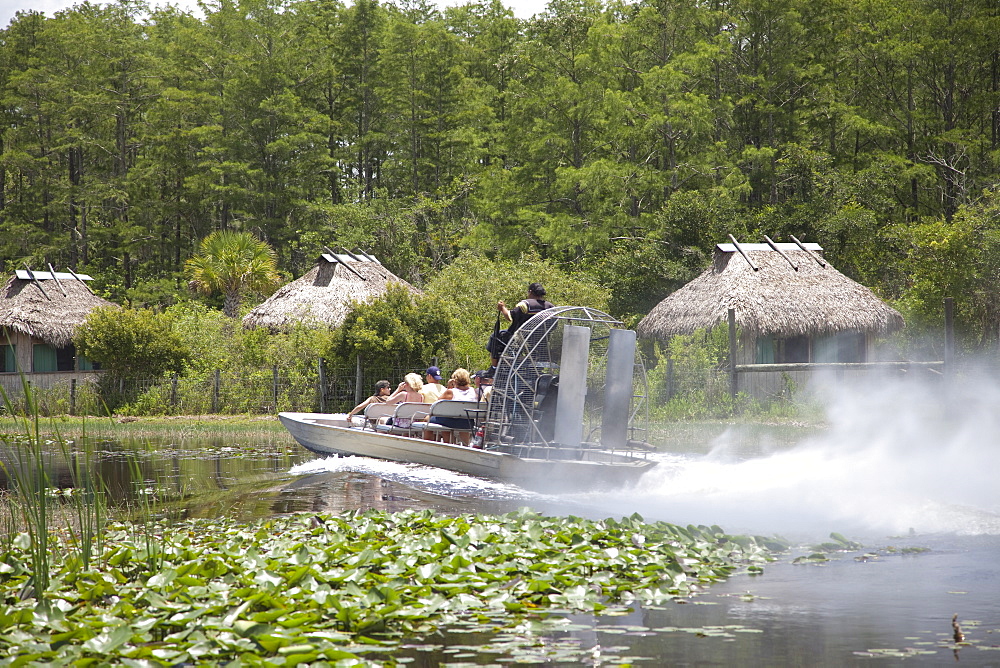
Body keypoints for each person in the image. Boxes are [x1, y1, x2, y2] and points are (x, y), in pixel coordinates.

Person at [493, 282, 555, 365]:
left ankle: (494, 367)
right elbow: (554, 325)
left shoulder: (525, 305)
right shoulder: (550, 307)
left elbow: (509, 316)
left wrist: (502, 308)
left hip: (520, 340)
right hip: (541, 341)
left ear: (530, 292)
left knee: (495, 336)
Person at [423, 368, 477, 444]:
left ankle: (441, 443)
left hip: (450, 422)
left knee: (427, 419)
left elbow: (437, 405)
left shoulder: (451, 392)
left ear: (454, 380)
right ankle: (465, 444)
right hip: (468, 423)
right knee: (461, 418)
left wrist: (449, 387)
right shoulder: (473, 391)